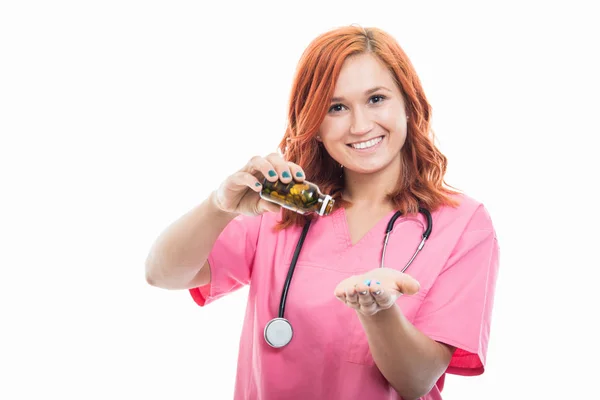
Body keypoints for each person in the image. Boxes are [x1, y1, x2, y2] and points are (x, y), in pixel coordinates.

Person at [145, 25, 500, 400]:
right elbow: (160, 273)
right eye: (337, 107)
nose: (361, 125)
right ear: (314, 124)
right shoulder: (281, 207)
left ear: (409, 106)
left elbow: (417, 380)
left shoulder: (463, 224)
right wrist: (219, 206)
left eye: (377, 99)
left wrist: (377, 310)